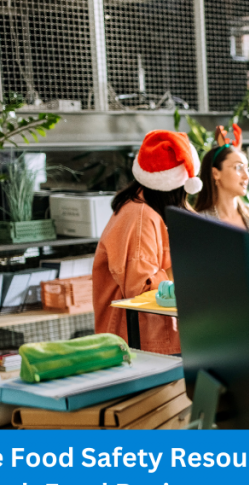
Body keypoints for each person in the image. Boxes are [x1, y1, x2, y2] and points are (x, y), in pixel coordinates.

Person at [93, 130, 202, 354]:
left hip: (164, 339)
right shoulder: (140, 217)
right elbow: (142, 289)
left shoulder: (156, 210)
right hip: (140, 344)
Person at [193, 124, 249, 273]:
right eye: (238, 167)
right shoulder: (198, 225)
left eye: (247, 169)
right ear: (215, 173)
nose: (247, 176)